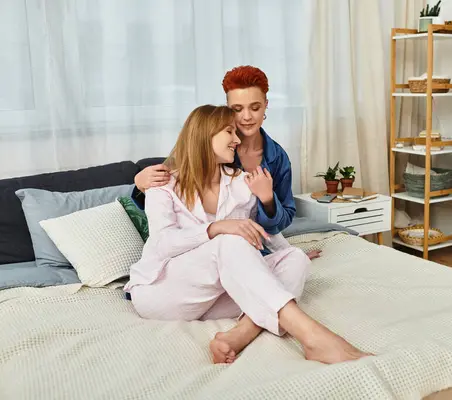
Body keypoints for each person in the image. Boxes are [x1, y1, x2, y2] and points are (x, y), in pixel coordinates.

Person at [124, 105, 370, 365]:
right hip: (164, 292)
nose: (237, 140)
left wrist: (284, 254)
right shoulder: (162, 183)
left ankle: (239, 335)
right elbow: (162, 244)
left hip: (214, 297)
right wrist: (216, 228)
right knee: (229, 240)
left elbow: (261, 232)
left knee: (295, 259)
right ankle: (314, 337)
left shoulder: (241, 183)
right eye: (229, 131)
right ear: (204, 135)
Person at [131, 65, 295, 237]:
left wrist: (268, 200)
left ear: (265, 105)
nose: (247, 117)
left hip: (253, 244)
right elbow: (164, 193)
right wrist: (139, 184)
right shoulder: (209, 146)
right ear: (227, 107)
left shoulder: (278, 158)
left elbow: (285, 219)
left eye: (255, 107)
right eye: (237, 109)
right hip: (200, 245)